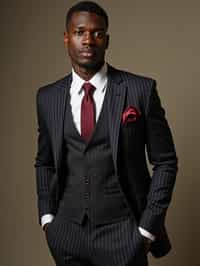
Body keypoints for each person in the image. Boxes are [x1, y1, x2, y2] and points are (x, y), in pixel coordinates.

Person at [34, 1, 178, 266]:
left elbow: (166, 162)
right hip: (67, 234)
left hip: (123, 234)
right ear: (66, 38)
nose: (88, 40)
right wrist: (47, 220)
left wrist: (146, 230)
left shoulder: (139, 90)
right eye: (79, 32)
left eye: (97, 33)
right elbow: (44, 162)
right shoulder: (48, 97)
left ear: (107, 40)